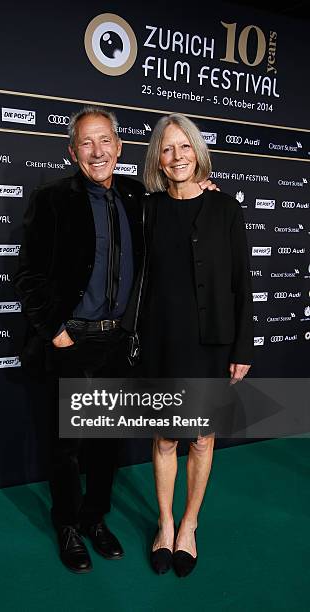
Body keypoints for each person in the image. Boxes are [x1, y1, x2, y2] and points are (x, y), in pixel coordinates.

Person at [14, 106, 216, 574]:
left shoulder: (134, 195)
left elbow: (179, 206)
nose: (97, 151)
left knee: (105, 441)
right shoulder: (52, 198)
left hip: (117, 344)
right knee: (67, 446)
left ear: (120, 148)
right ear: (73, 151)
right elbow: (28, 275)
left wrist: (205, 190)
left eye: (105, 140)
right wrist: (56, 332)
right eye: (87, 142)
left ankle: (94, 519)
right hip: (71, 342)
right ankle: (66, 525)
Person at [137, 113, 253, 577]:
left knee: (203, 439)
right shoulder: (147, 209)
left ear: (198, 153)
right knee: (165, 437)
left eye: (185, 147)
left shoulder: (226, 209)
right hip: (163, 340)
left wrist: (242, 346)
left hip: (212, 343)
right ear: (158, 161)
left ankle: (189, 526)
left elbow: (242, 282)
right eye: (168, 149)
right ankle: (164, 525)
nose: (177, 156)